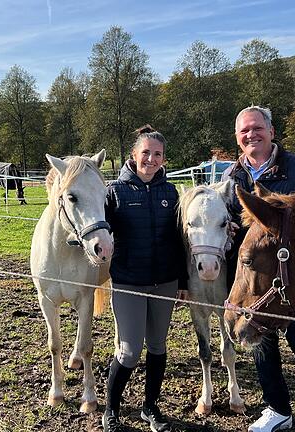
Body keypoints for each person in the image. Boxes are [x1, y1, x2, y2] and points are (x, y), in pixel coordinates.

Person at [222, 106, 295, 432]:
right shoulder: (233, 179)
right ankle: (277, 409)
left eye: (257, 128)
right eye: (244, 131)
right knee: (262, 347)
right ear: (237, 138)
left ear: (271, 131)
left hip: (294, 281)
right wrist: (229, 229)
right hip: (256, 283)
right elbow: (230, 222)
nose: (251, 135)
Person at [102, 125, 188, 432]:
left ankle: (150, 407)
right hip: (128, 282)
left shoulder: (170, 191)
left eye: (157, 154)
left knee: (157, 346)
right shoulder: (114, 192)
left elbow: (179, 239)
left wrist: (183, 282)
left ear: (164, 159)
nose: (151, 159)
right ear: (133, 155)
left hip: (164, 281)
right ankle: (111, 409)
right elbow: (100, 235)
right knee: (129, 350)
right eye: (146, 153)